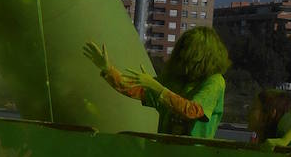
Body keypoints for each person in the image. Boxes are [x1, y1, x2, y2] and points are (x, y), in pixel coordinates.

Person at [83, 25, 230, 138]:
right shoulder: (175, 80)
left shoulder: (215, 82)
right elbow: (133, 88)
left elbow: (193, 111)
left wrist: (157, 88)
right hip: (162, 155)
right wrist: (108, 69)